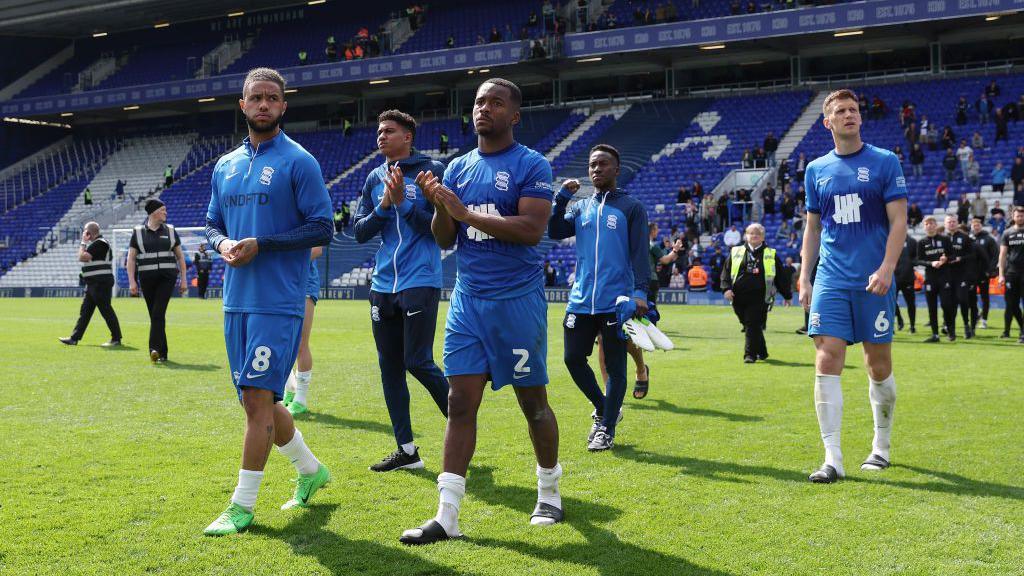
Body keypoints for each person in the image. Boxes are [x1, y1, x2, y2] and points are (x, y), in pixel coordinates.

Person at [399, 78, 561, 544]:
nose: (483, 109)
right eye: (477, 102)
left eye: (495, 102)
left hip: (516, 303)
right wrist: (441, 207)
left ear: (515, 115)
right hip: (468, 301)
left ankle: (549, 491)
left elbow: (530, 229)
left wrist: (465, 212)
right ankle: (446, 515)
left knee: (533, 405)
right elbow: (445, 238)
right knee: (459, 403)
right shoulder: (459, 167)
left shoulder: (531, 164)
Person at [202, 67, 332, 536]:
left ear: (283, 106)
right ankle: (312, 470)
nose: (263, 104)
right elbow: (212, 222)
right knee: (258, 402)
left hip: (279, 301)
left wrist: (263, 243)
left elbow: (323, 227)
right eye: (255, 97)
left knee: (258, 399)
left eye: (271, 98)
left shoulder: (300, 161)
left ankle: (242, 506)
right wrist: (220, 246)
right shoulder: (224, 165)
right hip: (235, 300)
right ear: (243, 105)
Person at [799, 89, 908, 484]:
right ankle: (833, 457)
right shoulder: (816, 170)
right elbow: (813, 227)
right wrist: (804, 275)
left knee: (877, 365)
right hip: (830, 278)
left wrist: (887, 267)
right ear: (827, 122)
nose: (849, 115)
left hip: (873, 280)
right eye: (840, 111)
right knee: (827, 358)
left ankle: (881, 446)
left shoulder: (884, 162)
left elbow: (899, 221)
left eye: (854, 110)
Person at [353, 109, 450, 472]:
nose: (381, 137)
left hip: (420, 280)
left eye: (389, 131)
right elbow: (360, 231)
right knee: (389, 367)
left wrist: (405, 204)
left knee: (417, 361)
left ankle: (462, 425)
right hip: (382, 285)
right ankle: (407, 452)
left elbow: (441, 229)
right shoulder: (374, 177)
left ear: (407, 136)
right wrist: (383, 206)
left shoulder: (432, 172)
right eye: (378, 131)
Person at [548, 144, 649, 451]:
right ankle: (606, 407)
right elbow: (554, 230)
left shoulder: (631, 207)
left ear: (616, 170)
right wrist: (561, 198)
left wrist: (640, 292)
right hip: (580, 299)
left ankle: (605, 428)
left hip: (615, 300)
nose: (596, 169)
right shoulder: (579, 207)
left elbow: (640, 253)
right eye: (592, 165)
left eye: (603, 164)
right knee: (572, 358)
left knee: (616, 366)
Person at [127, 199, 188, 363]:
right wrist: (132, 282)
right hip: (146, 279)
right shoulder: (138, 232)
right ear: (153, 212)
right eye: (163, 210)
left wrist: (184, 280)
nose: (166, 213)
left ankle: (153, 349)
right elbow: (131, 259)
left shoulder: (170, 230)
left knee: (157, 313)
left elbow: (180, 257)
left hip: (167, 278)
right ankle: (163, 353)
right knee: (156, 316)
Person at [723, 223, 792, 363]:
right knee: (749, 325)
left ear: (763, 237)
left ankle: (750, 355)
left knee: (752, 323)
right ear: (746, 236)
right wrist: (726, 289)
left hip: (760, 297)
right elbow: (725, 272)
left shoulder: (771, 254)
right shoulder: (735, 251)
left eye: (757, 234)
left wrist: (787, 295)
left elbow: (781, 277)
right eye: (751, 233)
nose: (754, 236)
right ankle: (762, 351)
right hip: (738, 297)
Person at [59, 221, 122, 347]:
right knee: (85, 311)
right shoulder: (97, 244)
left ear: (88, 233)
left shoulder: (99, 243)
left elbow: (82, 257)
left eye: (85, 232)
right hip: (94, 283)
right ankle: (74, 338)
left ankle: (116, 338)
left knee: (106, 310)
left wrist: (83, 242)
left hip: (100, 283)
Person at [282, 247, 323, 416]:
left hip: (304, 283)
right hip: (282, 282)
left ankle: (300, 399)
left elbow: (317, 249)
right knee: (282, 342)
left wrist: (285, 261)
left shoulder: (310, 220)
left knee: (300, 343)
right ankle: (290, 389)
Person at [916, 216, 955, 342]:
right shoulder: (921, 242)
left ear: (936, 225)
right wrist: (931, 263)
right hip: (930, 278)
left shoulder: (945, 239)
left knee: (946, 305)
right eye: (927, 224)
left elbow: (953, 255)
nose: (930, 225)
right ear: (924, 226)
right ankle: (935, 334)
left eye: (932, 223)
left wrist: (946, 259)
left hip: (944, 277)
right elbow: (918, 260)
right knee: (932, 307)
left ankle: (950, 330)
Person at [945, 215, 976, 337]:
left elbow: (972, 255)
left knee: (963, 300)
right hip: (946, 275)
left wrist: (960, 258)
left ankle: (966, 326)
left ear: (957, 223)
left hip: (961, 275)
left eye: (953, 222)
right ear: (946, 224)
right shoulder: (942, 238)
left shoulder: (964, 237)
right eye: (949, 222)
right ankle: (951, 330)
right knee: (949, 304)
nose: (951, 224)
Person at [997, 206, 1024, 342]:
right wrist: (1001, 274)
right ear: (1013, 217)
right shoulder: (1007, 233)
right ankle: (1022, 328)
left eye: (1022, 216)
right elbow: (1002, 255)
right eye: (1017, 216)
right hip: (1011, 273)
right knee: (1012, 304)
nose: (1020, 218)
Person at [971, 216, 998, 329]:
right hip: (971, 274)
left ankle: (984, 320)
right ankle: (976, 316)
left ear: (981, 226)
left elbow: (995, 255)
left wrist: (989, 271)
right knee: (970, 297)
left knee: (984, 297)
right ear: (971, 227)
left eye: (978, 225)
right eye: (974, 226)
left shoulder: (989, 239)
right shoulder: (969, 239)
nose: (976, 227)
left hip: (983, 274)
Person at [892, 234, 918, 333]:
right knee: (891, 303)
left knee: (910, 303)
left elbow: (916, 257)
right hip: (893, 277)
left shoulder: (912, 241)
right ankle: (897, 320)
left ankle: (912, 325)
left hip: (908, 278)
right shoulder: (889, 239)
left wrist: (912, 263)